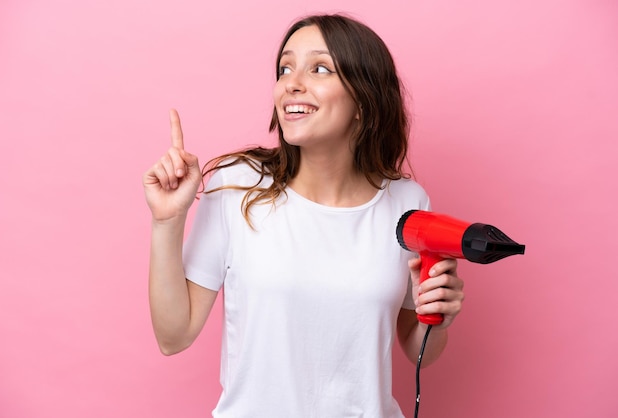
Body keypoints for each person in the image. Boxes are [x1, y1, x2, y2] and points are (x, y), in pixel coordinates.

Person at [143, 13, 465, 417]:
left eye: (319, 68)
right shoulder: (237, 186)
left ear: (363, 101)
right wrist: (166, 222)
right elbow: (173, 336)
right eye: (285, 68)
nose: (292, 83)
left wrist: (435, 314)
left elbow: (419, 350)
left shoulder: (407, 203)